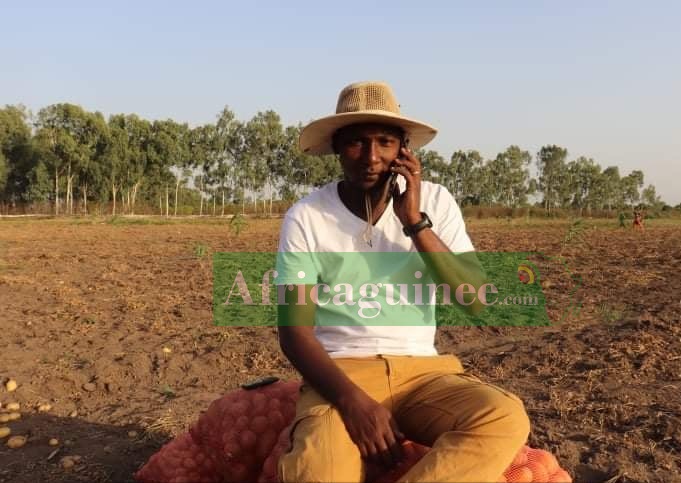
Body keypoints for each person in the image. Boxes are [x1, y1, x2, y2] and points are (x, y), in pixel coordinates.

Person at [275, 81, 530, 483]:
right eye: (357, 143)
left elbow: (475, 300)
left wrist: (414, 221)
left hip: (424, 374)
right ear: (337, 148)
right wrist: (352, 402)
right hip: (342, 373)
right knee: (316, 471)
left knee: (503, 416)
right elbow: (293, 332)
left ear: (404, 150)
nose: (371, 157)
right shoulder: (307, 216)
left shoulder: (437, 203)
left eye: (385, 142)